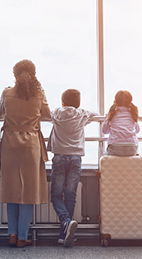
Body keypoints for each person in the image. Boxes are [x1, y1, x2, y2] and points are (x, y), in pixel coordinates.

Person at [0, 59, 50, 248]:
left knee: (11, 189)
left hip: (9, 142)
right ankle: (22, 236)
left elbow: (1, 113)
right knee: (28, 191)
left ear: (15, 75)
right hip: (30, 143)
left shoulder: (7, 92)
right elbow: (47, 114)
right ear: (34, 74)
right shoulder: (39, 94)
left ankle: (12, 234)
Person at [47, 89, 98, 247]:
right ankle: (66, 232)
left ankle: (66, 224)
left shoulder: (56, 114)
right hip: (76, 158)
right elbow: (95, 113)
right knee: (70, 195)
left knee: (56, 195)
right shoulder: (81, 114)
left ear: (62, 102)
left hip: (59, 157)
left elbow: (44, 113)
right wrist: (81, 110)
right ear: (78, 103)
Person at [102, 90, 140, 156]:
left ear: (116, 100)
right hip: (132, 147)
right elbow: (137, 130)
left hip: (115, 147)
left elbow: (104, 131)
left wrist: (107, 118)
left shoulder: (112, 113)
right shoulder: (132, 113)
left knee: (104, 155)